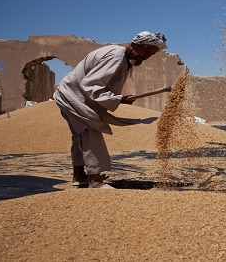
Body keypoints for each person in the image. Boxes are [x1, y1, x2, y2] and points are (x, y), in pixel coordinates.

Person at [53, 31, 167, 189]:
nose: (146, 56)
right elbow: (90, 84)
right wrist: (116, 99)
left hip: (72, 95)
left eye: (151, 54)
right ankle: (95, 181)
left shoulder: (124, 58)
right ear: (134, 45)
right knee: (90, 132)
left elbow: (100, 85)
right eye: (146, 51)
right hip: (74, 97)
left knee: (80, 135)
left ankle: (79, 176)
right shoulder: (115, 55)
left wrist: (118, 98)